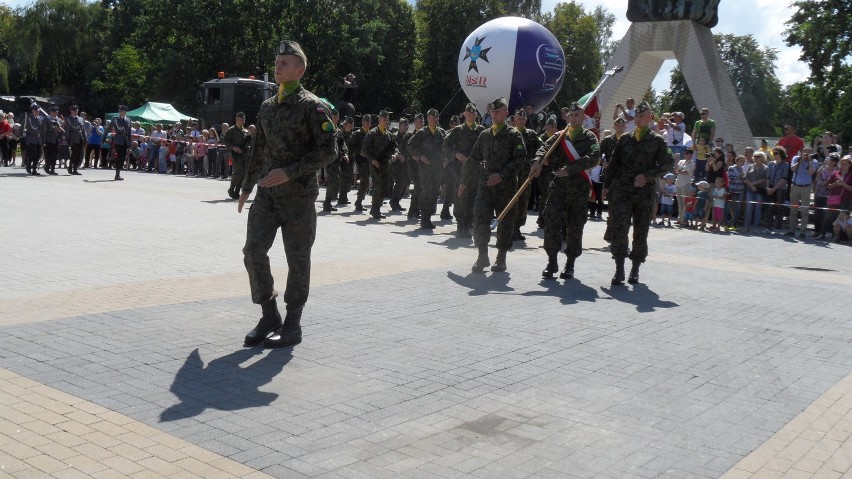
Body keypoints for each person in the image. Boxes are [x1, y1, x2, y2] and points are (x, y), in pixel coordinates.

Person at [237, 40, 337, 349]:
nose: (277, 67)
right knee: (252, 252)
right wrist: (245, 186)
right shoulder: (267, 107)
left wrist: (290, 171)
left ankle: (292, 324)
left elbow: (329, 151)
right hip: (267, 196)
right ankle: (269, 315)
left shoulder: (312, 106)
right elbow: (257, 150)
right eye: (276, 61)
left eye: (284, 63)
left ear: (300, 69)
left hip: (298, 197)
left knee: (297, 259)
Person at [602, 101, 673, 285]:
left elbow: (667, 164)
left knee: (641, 232)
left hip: (644, 192)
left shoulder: (657, 141)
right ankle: (619, 269)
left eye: (643, 116)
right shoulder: (625, 138)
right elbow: (614, 164)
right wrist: (606, 186)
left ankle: (635, 269)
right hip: (623, 191)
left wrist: (648, 176)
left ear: (651, 118)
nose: (639, 118)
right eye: (637, 116)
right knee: (620, 228)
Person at [531, 101, 599, 279]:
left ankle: (570, 264)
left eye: (577, 115)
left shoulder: (590, 138)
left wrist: (569, 169)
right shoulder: (560, 136)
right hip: (559, 187)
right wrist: (537, 160)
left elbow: (593, 158)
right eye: (571, 115)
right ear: (567, 117)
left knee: (574, 226)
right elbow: (544, 147)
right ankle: (552, 261)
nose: (574, 118)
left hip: (578, 189)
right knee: (551, 219)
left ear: (583, 117)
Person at [469, 97, 526, 273]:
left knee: (505, 221)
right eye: (492, 111)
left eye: (498, 111)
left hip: (505, 186)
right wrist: (463, 181)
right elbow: (474, 158)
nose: (494, 114)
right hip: (486, 185)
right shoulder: (484, 135)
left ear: (506, 113)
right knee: (480, 217)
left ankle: (501, 258)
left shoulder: (514, 135)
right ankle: (482, 256)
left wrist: (502, 175)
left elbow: (520, 159)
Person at [445, 103, 485, 238]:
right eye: (469, 113)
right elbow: (445, 146)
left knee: (474, 198)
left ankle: (469, 224)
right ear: (465, 114)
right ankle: (460, 225)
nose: (472, 116)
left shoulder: (481, 130)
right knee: (461, 197)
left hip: (476, 169)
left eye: (474, 114)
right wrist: (455, 154)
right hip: (460, 170)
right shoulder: (457, 130)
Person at [407, 108, 447, 229]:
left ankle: (428, 218)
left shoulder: (441, 133)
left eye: (436, 117)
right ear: (428, 118)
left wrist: (446, 158)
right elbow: (410, 145)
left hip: (437, 167)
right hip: (425, 167)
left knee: (434, 192)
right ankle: (424, 218)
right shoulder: (422, 133)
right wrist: (420, 156)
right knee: (426, 191)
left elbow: (447, 146)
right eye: (432, 117)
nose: (435, 119)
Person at [510, 108, 542, 241]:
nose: (521, 120)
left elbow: (541, 148)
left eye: (523, 119)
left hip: (526, 174)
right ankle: (509, 228)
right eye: (519, 118)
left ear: (526, 120)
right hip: (512, 174)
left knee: (523, 202)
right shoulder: (509, 133)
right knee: (511, 201)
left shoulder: (532, 134)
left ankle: (517, 228)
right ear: (514, 119)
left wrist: (537, 161)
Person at [362, 110, 397, 219]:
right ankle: (375, 209)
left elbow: (394, 147)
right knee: (377, 186)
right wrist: (372, 160)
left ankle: (377, 208)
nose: (386, 121)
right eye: (384, 119)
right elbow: (365, 150)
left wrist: (395, 154)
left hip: (385, 164)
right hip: (375, 164)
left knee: (384, 187)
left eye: (387, 119)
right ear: (379, 120)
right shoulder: (372, 133)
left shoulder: (389, 134)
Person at [322, 109, 349, 212]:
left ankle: (328, 202)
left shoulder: (337, 130)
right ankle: (326, 203)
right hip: (329, 159)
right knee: (333, 180)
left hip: (336, 159)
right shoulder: (327, 127)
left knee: (335, 180)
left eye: (337, 117)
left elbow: (341, 144)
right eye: (334, 117)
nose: (335, 119)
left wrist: (344, 154)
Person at [787, 149, 817, 238]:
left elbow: (811, 172)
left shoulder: (813, 161)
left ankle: (803, 231)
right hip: (795, 186)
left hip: (806, 187)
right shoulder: (796, 158)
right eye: (805, 153)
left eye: (808, 153)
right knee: (793, 210)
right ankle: (791, 230)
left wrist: (810, 161)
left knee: (804, 210)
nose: (806, 155)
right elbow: (792, 169)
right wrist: (800, 160)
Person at [347, 115, 371, 212]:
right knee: (364, 180)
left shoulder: (370, 134)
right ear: (363, 122)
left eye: (369, 123)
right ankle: (359, 202)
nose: (368, 124)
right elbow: (349, 145)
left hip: (368, 160)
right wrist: (359, 151)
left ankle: (360, 201)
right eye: (367, 122)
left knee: (366, 181)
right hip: (360, 160)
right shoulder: (357, 134)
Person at [223, 112, 250, 199]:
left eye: (243, 120)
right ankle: (231, 189)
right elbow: (225, 141)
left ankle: (237, 190)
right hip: (235, 154)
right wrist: (233, 147)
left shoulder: (245, 131)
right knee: (238, 171)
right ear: (236, 120)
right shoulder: (231, 130)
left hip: (244, 154)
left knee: (244, 173)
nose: (242, 121)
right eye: (241, 120)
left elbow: (249, 141)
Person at [813, 153, 839, 238]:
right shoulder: (823, 168)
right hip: (819, 192)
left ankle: (828, 231)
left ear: (835, 162)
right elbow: (817, 177)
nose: (830, 160)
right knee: (817, 212)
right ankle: (817, 230)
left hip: (830, 194)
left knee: (827, 214)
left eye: (832, 159)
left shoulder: (837, 169)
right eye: (829, 159)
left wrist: (827, 183)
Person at [743, 151, 769, 233]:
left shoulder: (766, 168)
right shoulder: (750, 166)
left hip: (759, 190)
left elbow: (764, 179)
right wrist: (751, 186)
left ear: (763, 158)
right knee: (749, 208)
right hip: (749, 190)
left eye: (758, 156)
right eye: (755, 156)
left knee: (758, 208)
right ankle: (746, 226)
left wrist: (753, 184)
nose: (756, 158)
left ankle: (755, 226)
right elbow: (746, 178)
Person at [388, 117, 410, 212]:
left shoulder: (408, 136)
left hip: (405, 163)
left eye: (407, 125)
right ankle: (393, 201)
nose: (407, 127)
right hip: (396, 163)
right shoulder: (394, 136)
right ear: (400, 125)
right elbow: (390, 148)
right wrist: (396, 156)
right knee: (400, 182)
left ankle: (396, 201)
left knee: (406, 182)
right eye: (405, 125)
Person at [766, 147, 790, 232]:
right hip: (771, 187)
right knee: (770, 207)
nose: (774, 155)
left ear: (781, 154)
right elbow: (768, 177)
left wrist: (775, 188)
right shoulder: (771, 164)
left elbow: (784, 179)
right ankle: (769, 226)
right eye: (773, 153)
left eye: (776, 153)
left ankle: (778, 227)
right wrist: (768, 187)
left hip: (780, 188)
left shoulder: (785, 164)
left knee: (779, 207)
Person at [23, 103, 47, 176]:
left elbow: (43, 130)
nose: (37, 112)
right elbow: (24, 127)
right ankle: (28, 165)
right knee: (32, 154)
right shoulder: (29, 118)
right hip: (31, 139)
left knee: (38, 155)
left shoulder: (41, 119)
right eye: (35, 110)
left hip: (39, 139)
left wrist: (43, 140)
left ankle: (34, 169)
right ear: (32, 111)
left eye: (38, 110)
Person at [675, 148, 695, 224]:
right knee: (679, 202)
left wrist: (678, 171)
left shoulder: (692, 162)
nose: (685, 154)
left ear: (691, 155)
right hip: (678, 183)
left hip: (685, 183)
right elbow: (675, 169)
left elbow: (685, 172)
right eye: (684, 153)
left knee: (684, 202)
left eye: (687, 153)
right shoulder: (681, 161)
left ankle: (684, 219)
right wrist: (676, 160)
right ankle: (680, 218)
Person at [111, 106, 131, 180]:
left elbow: (129, 132)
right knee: (120, 156)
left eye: (122, 111)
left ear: (125, 112)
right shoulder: (115, 119)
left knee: (122, 157)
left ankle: (118, 173)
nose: (121, 112)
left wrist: (130, 142)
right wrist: (104, 136)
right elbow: (109, 127)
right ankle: (117, 174)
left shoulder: (128, 120)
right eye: (120, 111)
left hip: (125, 140)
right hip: (118, 139)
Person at [42, 106, 63, 175]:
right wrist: (52, 128)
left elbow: (61, 129)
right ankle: (47, 167)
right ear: (51, 112)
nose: (55, 113)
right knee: (49, 155)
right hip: (49, 139)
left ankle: (53, 169)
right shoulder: (46, 119)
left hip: (56, 139)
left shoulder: (59, 119)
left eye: (56, 112)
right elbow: (44, 129)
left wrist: (61, 136)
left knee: (55, 155)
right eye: (54, 112)